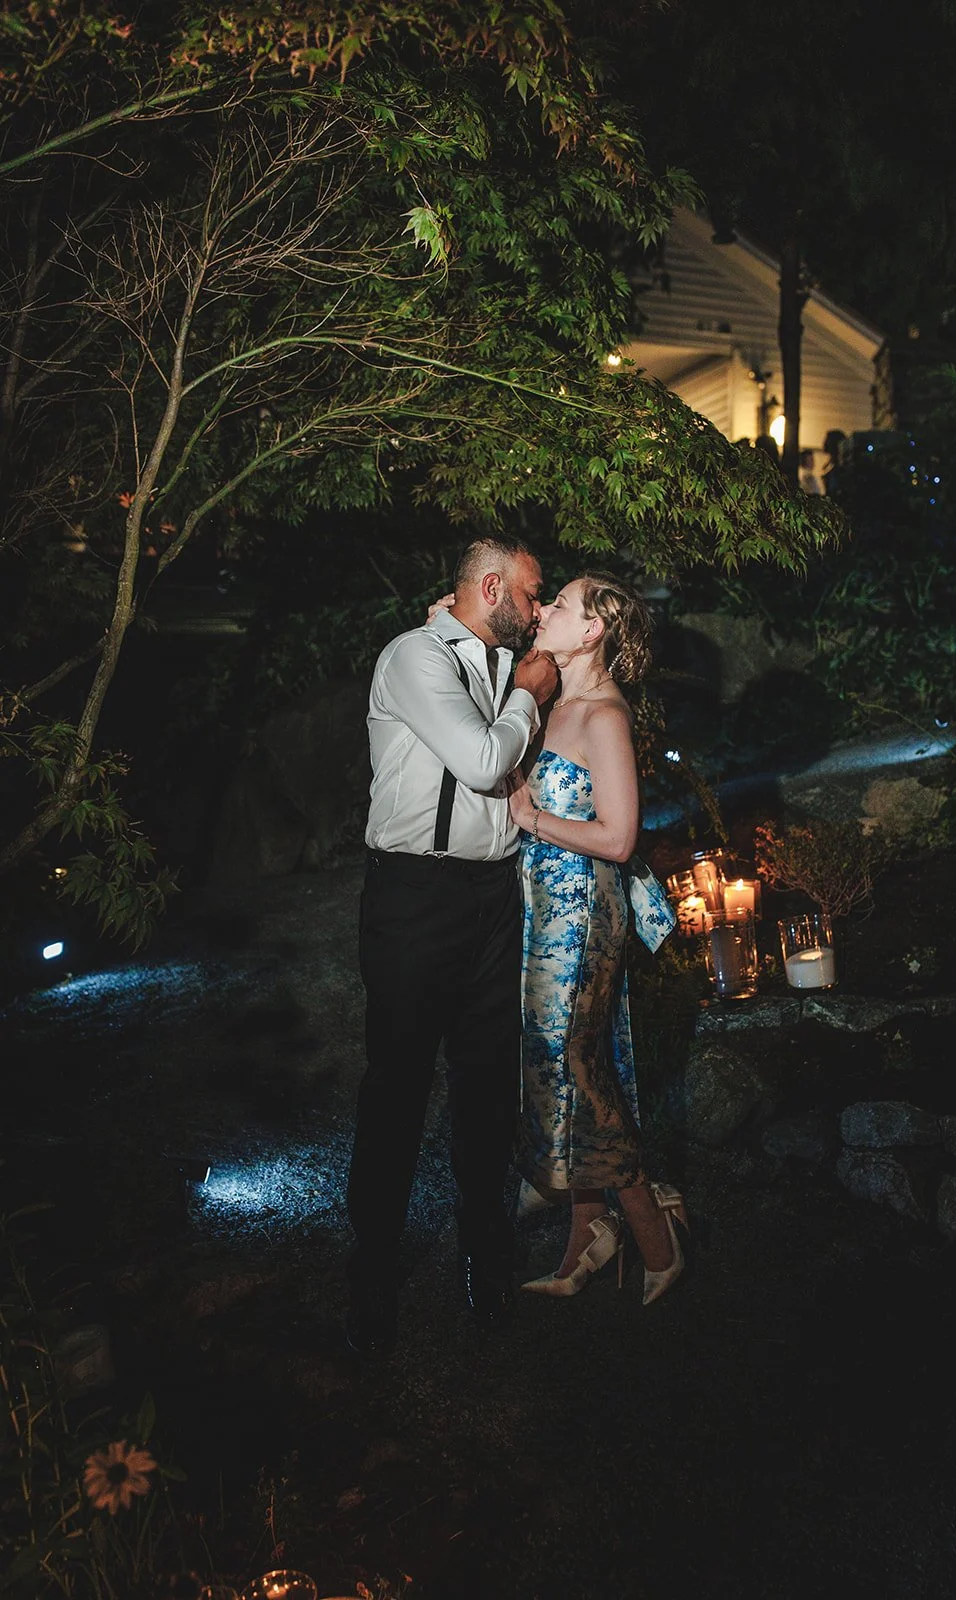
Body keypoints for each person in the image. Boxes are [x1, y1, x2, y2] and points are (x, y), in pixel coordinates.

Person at [347, 533, 558, 1355]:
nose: (538, 611)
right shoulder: (413, 655)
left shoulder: (507, 659)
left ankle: (486, 1251)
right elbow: (479, 760)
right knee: (397, 1083)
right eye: (533, 595)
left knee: (485, 1086)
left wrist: (528, 681)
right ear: (495, 587)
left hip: (490, 895)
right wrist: (530, 696)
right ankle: (371, 1270)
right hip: (412, 898)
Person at [506, 573, 687, 1305]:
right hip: (535, 906)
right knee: (553, 1057)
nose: (543, 611)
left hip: (580, 915)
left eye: (560, 605)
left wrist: (528, 816)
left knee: (574, 1062)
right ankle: (585, 1230)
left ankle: (653, 1229)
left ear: (590, 633)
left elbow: (617, 838)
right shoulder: (553, 701)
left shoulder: (604, 717)